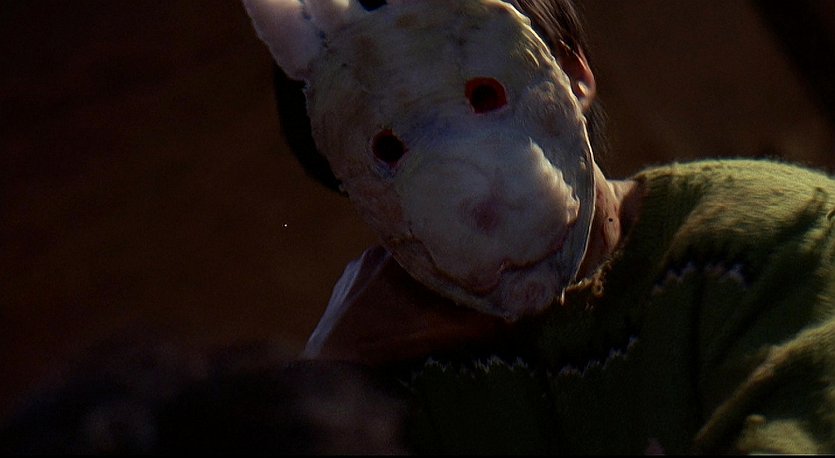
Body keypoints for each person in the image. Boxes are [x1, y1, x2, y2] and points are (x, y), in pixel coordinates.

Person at [254, 0, 835, 454]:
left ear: (572, 73)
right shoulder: (395, 385)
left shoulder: (773, 241)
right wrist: (328, 380)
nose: (471, 194)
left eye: (484, 96)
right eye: (390, 150)